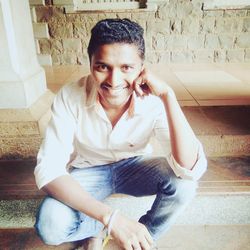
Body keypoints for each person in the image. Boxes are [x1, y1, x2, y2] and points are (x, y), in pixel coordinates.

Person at [34, 18, 207, 250]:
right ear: (90, 64)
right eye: (103, 66)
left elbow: (189, 167)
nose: (114, 81)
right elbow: (49, 169)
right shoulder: (70, 96)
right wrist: (111, 218)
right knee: (49, 225)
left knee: (184, 184)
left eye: (126, 68)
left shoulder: (154, 100)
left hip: (135, 166)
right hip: (88, 169)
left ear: (142, 68)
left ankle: (142, 237)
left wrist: (168, 95)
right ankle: (98, 229)